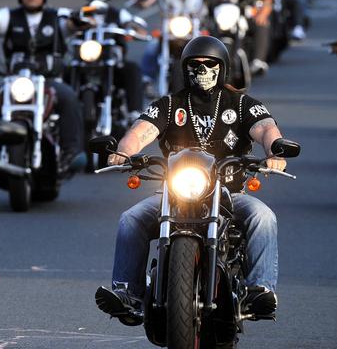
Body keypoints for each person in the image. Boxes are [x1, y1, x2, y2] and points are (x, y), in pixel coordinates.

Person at [96, 36, 287, 323]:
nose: (202, 69)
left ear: (222, 68)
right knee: (130, 219)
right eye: (194, 64)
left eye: (210, 64)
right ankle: (128, 293)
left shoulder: (241, 103)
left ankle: (259, 289)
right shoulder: (171, 105)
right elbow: (140, 131)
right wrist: (124, 152)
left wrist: (275, 150)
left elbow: (265, 128)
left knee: (264, 217)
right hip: (174, 194)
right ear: (183, 68)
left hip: (228, 194)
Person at [0, 0, 84, 174]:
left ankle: (71, 152)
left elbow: (74, 23)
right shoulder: (9, 16)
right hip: (15, 81)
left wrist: (81, 20)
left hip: (48, 80)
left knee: (68, 95)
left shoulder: (57, 16)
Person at [79, 0, 145, 120]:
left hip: (113, 60)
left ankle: (135, 111)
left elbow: (135, 26)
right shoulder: (82, 13)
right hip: (86, 59)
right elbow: (67, 26)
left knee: (132, 69)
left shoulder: (117, 13)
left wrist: (132, 28)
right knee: (67, 70)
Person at [139, 0, 211, 89]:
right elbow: (148, 1)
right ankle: (146, 79)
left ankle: (219, 81)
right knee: (152, 45)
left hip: (197, 28)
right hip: (171, 30)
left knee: (213, 47)